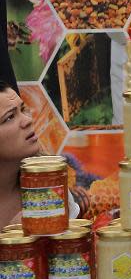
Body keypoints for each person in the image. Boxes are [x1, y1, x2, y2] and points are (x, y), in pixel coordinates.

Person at [0, 81, 80, 229]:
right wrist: (10, 240)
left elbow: (69, 249)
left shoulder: (49, 178)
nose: (27, 120)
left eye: (23, 109)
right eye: (10, 117)